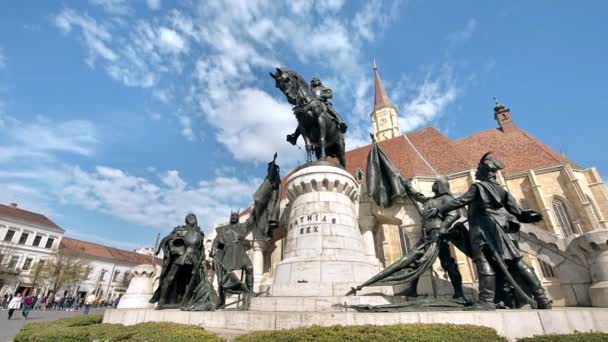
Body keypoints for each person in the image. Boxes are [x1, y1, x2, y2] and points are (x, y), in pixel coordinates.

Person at [430, 152, 551, 310]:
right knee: (516, 262)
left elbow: (460, 201)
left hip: (482, 229)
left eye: (479, 169)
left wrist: (439, 209)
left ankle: (486, 300)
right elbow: (518, 212)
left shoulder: (478, 187)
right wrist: (529, 216)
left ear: (485, 172)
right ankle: (542, 298)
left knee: (483, 261)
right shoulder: (502, 191)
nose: (476, 172)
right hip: (499, 229)